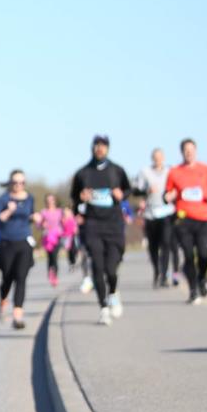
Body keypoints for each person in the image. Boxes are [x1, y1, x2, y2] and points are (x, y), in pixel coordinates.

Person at [70, 135, 131, 325]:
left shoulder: (117, 171)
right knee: (97, 265)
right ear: (92, 148)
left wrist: (122, 195)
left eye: (103, 146)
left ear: (108, 149)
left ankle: (113, 292)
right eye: (96, 146)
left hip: (113, 225)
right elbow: (75, 199)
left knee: (111, 270)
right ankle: (103, 307)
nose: (99, 149)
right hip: (93, 225)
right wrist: (81, 199)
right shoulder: (83, 173)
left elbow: (128, 190)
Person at [165, 138, 207, 304]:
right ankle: (193, 290)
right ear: (182, 152)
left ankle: (201, 278)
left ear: (195, 151)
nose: (189, 153)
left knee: (204, 255)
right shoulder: (174, 172)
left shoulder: (206, 169)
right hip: (183, 220)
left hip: (203, 218)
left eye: (191, 150)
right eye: (185, 150)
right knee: (188, 256)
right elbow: (167, 193)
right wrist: (169, 196)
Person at [0, 169, 40, 329]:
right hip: (6, 243)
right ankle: (3, 300)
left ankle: (18, 316)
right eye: (15, 182)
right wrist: (8, 211)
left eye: (22, 182)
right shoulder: (2, 199)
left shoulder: (30, 198)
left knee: (21, 277)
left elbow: (30, 215)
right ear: (10, 183)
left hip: (24, 242)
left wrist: (35, 218)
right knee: (7, 278)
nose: (19, 185)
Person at [134, 148, 176, 288]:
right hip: (150, 214)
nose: (158, 159)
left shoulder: (170, 171)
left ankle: (164, 276)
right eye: (155, 157)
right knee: (153, 246)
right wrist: (146, 191)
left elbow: (177, 187)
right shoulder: (144, 172)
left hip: (166, 212)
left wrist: (173, 195)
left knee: (166, 244)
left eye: (160, 157)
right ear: (152, 158)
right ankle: (157, 270)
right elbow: (134, 189)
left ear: (163, 158)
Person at [38, 194, 64, 287]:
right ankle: (50, 273)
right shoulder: (43, 212)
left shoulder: (60, 211)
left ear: (55, 201)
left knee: (55, 256)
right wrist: (42, 224)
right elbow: (38, 225)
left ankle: (55, 276)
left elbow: (64, 223)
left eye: (52, 200)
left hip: (57, 236)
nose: (50, 202)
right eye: (48, 200)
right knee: (50, 257)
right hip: (47, 237)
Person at [61, 205, 79, 272]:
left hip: (74, 236)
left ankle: (74, 261)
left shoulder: (73, 218)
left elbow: (76, 226)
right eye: (65, 211)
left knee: (75, 249)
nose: (66, 212)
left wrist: (76, 229)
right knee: (69, 251)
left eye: (67, 211)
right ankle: (71, 264)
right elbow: (62, 227)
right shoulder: (63, 219)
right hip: (66, 237)